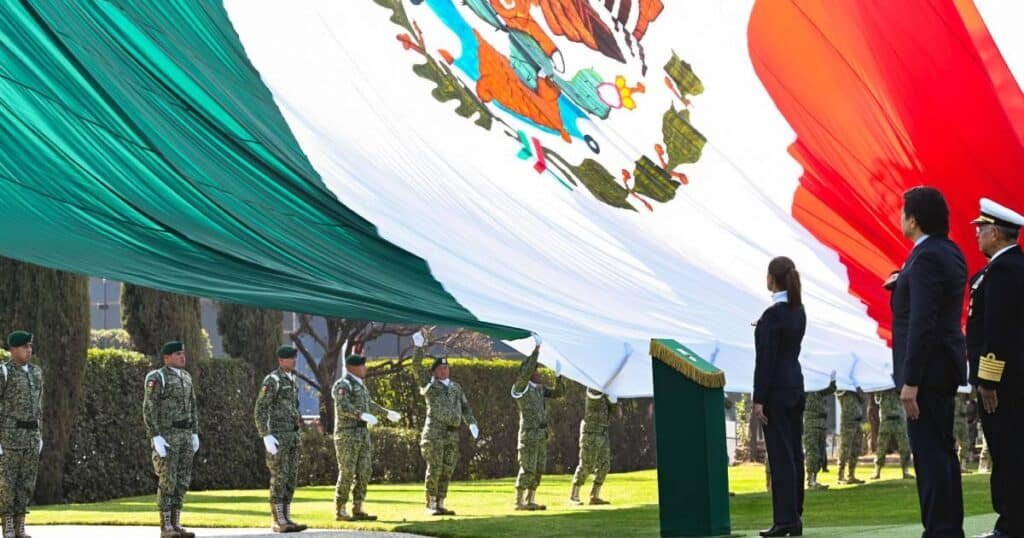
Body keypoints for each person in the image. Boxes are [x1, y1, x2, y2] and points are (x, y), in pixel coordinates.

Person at [890, 186, 967, 537]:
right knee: (944, 452)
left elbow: (922, 321)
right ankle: (949, 528)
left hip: (926, 372)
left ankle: (938, 530)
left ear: (914, 220)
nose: (900, 217)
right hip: (945, 366)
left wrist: (911, 380)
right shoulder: (949, 251)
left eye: (903, 212)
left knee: (930, 456)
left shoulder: (924, 258)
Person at [965, 198, 1024, 538]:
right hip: (1013, 377)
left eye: (981, 230)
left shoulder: (1003, 271)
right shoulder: (1008, 268)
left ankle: (1010, 525)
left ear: (996, 234)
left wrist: (988, 380)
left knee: (1006, 450)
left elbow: (997, 330)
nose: (977, 236)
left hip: (1004, 383)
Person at [752, 256, 806, 537]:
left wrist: (758, 398)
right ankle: (794, 515)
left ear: (772, 279)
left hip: (777, 392)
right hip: (795, 385)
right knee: (795, 454)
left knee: (781, 456)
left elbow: (766, 361)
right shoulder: (798, 311)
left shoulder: (772, 316)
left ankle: (784, 519)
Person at [409, 332, 478, 516]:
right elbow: (416, 367)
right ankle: (430, 503)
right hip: (434, 434)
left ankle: (440, 502)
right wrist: (418, 349)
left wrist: (471, 423)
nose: (444, 371)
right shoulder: (430, 386)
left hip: (451, 435)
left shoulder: (455, 388)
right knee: (435, 468)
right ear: (434, 371)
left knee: (447, 469)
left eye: (446, 368)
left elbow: (465, 407)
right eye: (440, 368)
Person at [331, 355, 401, 522]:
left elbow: (370, 403)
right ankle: (341, 509)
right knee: (347, 471)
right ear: (352, 367)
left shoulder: (360, 385)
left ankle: (358, 507)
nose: (365, 368)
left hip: (362, 434)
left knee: (364, 470)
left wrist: (387, 413)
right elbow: (343, 406)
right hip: (347, 434)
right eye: (362, 366)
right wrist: (360, 415)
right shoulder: (343, 384)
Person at [143, 341, 200, 538]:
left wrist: (194, 432)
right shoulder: (157, 377)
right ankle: (166, 525)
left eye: (183, 353)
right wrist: (155, 436)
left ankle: (176, 524)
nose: (182, 357)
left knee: (182, 481)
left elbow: (192, 406)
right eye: (178, 354)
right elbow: (148, 408)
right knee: (168, 481)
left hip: (185, 436)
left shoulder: (186, 376)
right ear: (166, 358)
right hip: (167, 437)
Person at [254, 345, 307, 533]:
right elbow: (260, 408)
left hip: (292, 437)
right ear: (281, 360)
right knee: (279, 477)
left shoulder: (292, 380)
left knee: (290, 478)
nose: (294, 361)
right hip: (278, 437)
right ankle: (278, 520)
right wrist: (265, 435)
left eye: (295, 358)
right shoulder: (273, 380)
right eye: (290, 358)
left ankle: (287, 516)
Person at [511, 334, 565, 511]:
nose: (538, 372)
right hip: (528, 435)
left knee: (539, 468)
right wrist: (536, 350)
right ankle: (519, 502)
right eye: (536, 370)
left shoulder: (539, 389)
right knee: (527, 467)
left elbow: (559, 394)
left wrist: (559, 377)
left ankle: (530, 499)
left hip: (541, 435)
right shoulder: (521, 388)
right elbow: (526, 371)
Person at [0, 331, 42, 538]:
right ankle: (7, 525)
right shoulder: (4, 372)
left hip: (31, 436)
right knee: (8, 483)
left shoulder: (36, 372)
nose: (29, 350)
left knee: (26, 483)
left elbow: (39, 406)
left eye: (30, 346)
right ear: (13, 349)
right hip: (10, 437)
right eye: (24, 347)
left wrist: (39, 434)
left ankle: (20, 525)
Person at [569, 387, 617, 505]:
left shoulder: (606, 394)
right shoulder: (592, 389)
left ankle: (594, 496)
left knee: (604, 465)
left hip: (602, 433)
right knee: (586, 465)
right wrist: (607, 394)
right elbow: (594, 396)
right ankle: (573, 496)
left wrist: (613, 401)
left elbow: (613, 411)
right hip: (590, 434)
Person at [872, 388, 913, 480]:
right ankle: (877, 470)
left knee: (904, 446)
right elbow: (877, 399)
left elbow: (904, 394)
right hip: (886, 419)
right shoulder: (882, 385)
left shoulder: (899, 383)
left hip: (899, 419)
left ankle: (905, 471)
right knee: (881, 447)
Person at [803, 379, 835, 490]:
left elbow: (831, 389)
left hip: (821, 426)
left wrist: (832, 380)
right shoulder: (806, 390)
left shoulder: (818, 391)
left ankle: (814, 480)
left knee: (820, 454)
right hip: (811, 425)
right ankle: (810, 481)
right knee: (813, 453)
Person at [836, 388, 866, 484]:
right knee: (845, 448)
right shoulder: (842, 386)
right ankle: (840, 476)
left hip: (858, 420)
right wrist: (849, 387)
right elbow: (838, 393)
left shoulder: (856, 387)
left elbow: (863, 399)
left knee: (856, 448)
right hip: (847, 421)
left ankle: (851, 475)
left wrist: (857, 388)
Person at [953, 392, 971, 473]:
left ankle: (962, 466)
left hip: (963, 418)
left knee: (965, 442)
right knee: (953, 442)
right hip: (953, 417)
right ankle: (954, 465)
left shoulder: (965, 389)